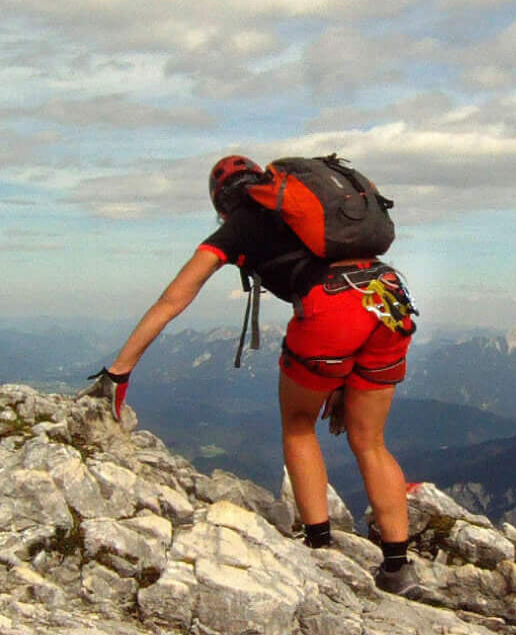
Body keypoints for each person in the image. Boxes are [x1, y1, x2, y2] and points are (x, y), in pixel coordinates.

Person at [92, 154, 420, 592]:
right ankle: (398, 568)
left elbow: (173, 299)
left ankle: (318, 546)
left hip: (331, 308)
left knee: (300, 426)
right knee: (370, 441)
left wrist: (119, 372)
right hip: (388, 295)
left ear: (221, 205)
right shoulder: (312, 209)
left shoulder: (238, 226)